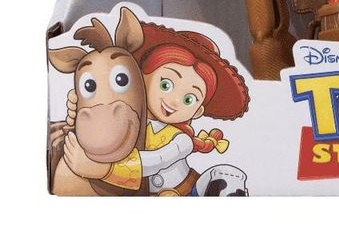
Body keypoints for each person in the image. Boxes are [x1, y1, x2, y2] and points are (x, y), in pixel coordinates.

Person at [65, 22, 249, 196]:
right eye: (165, 85)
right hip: (142, 196)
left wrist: (106, 170)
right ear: (143, 79)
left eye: (189, 99)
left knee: (226, 174)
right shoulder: (131, 122)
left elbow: (157, 161)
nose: (174, 101)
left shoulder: (182, 140)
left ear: (198, 111)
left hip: (186, 193)